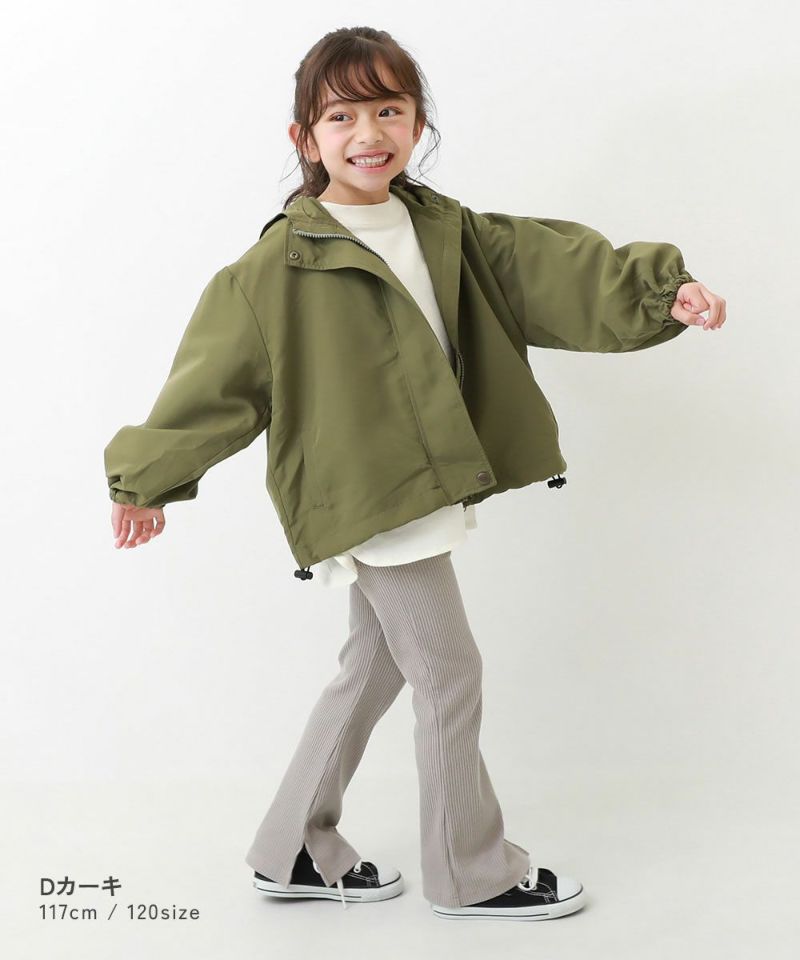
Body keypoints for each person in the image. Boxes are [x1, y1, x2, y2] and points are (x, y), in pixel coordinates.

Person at [103, 26, 726, 921]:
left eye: (389, 110)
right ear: (304, 138)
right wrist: (145, 480)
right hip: (369, 495)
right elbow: (214, 386)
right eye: (342, 115)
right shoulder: (272, 271)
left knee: (375, 665)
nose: (369, 133)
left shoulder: (447, 230)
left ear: (418, 123)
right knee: (450, 672)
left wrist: (663, 292)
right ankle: (472, 874)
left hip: (425, 484)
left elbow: (557, 270)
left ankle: (291, 849)